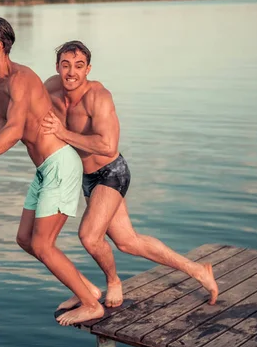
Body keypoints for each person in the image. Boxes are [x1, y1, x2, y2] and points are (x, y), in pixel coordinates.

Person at [0, 18, 104, 326]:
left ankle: (90, 304)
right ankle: (86, 288)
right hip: (45, 168)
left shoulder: (21, 79)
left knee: (43, 245)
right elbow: (0, 121)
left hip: (61, 164)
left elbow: (14, 130)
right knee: (25, 239)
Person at [42, 40, 219, 310]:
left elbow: (107, 145)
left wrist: (62, 133)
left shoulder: (98, 97)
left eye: (79, 66)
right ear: (57, 67)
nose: (71, 72)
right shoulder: (51, 88)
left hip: (112, 173)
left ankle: (113, 281)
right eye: (65, 65)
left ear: (88, 68)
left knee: (90, 237)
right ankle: (198, 270)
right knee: (128, 242)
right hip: (88, 178)